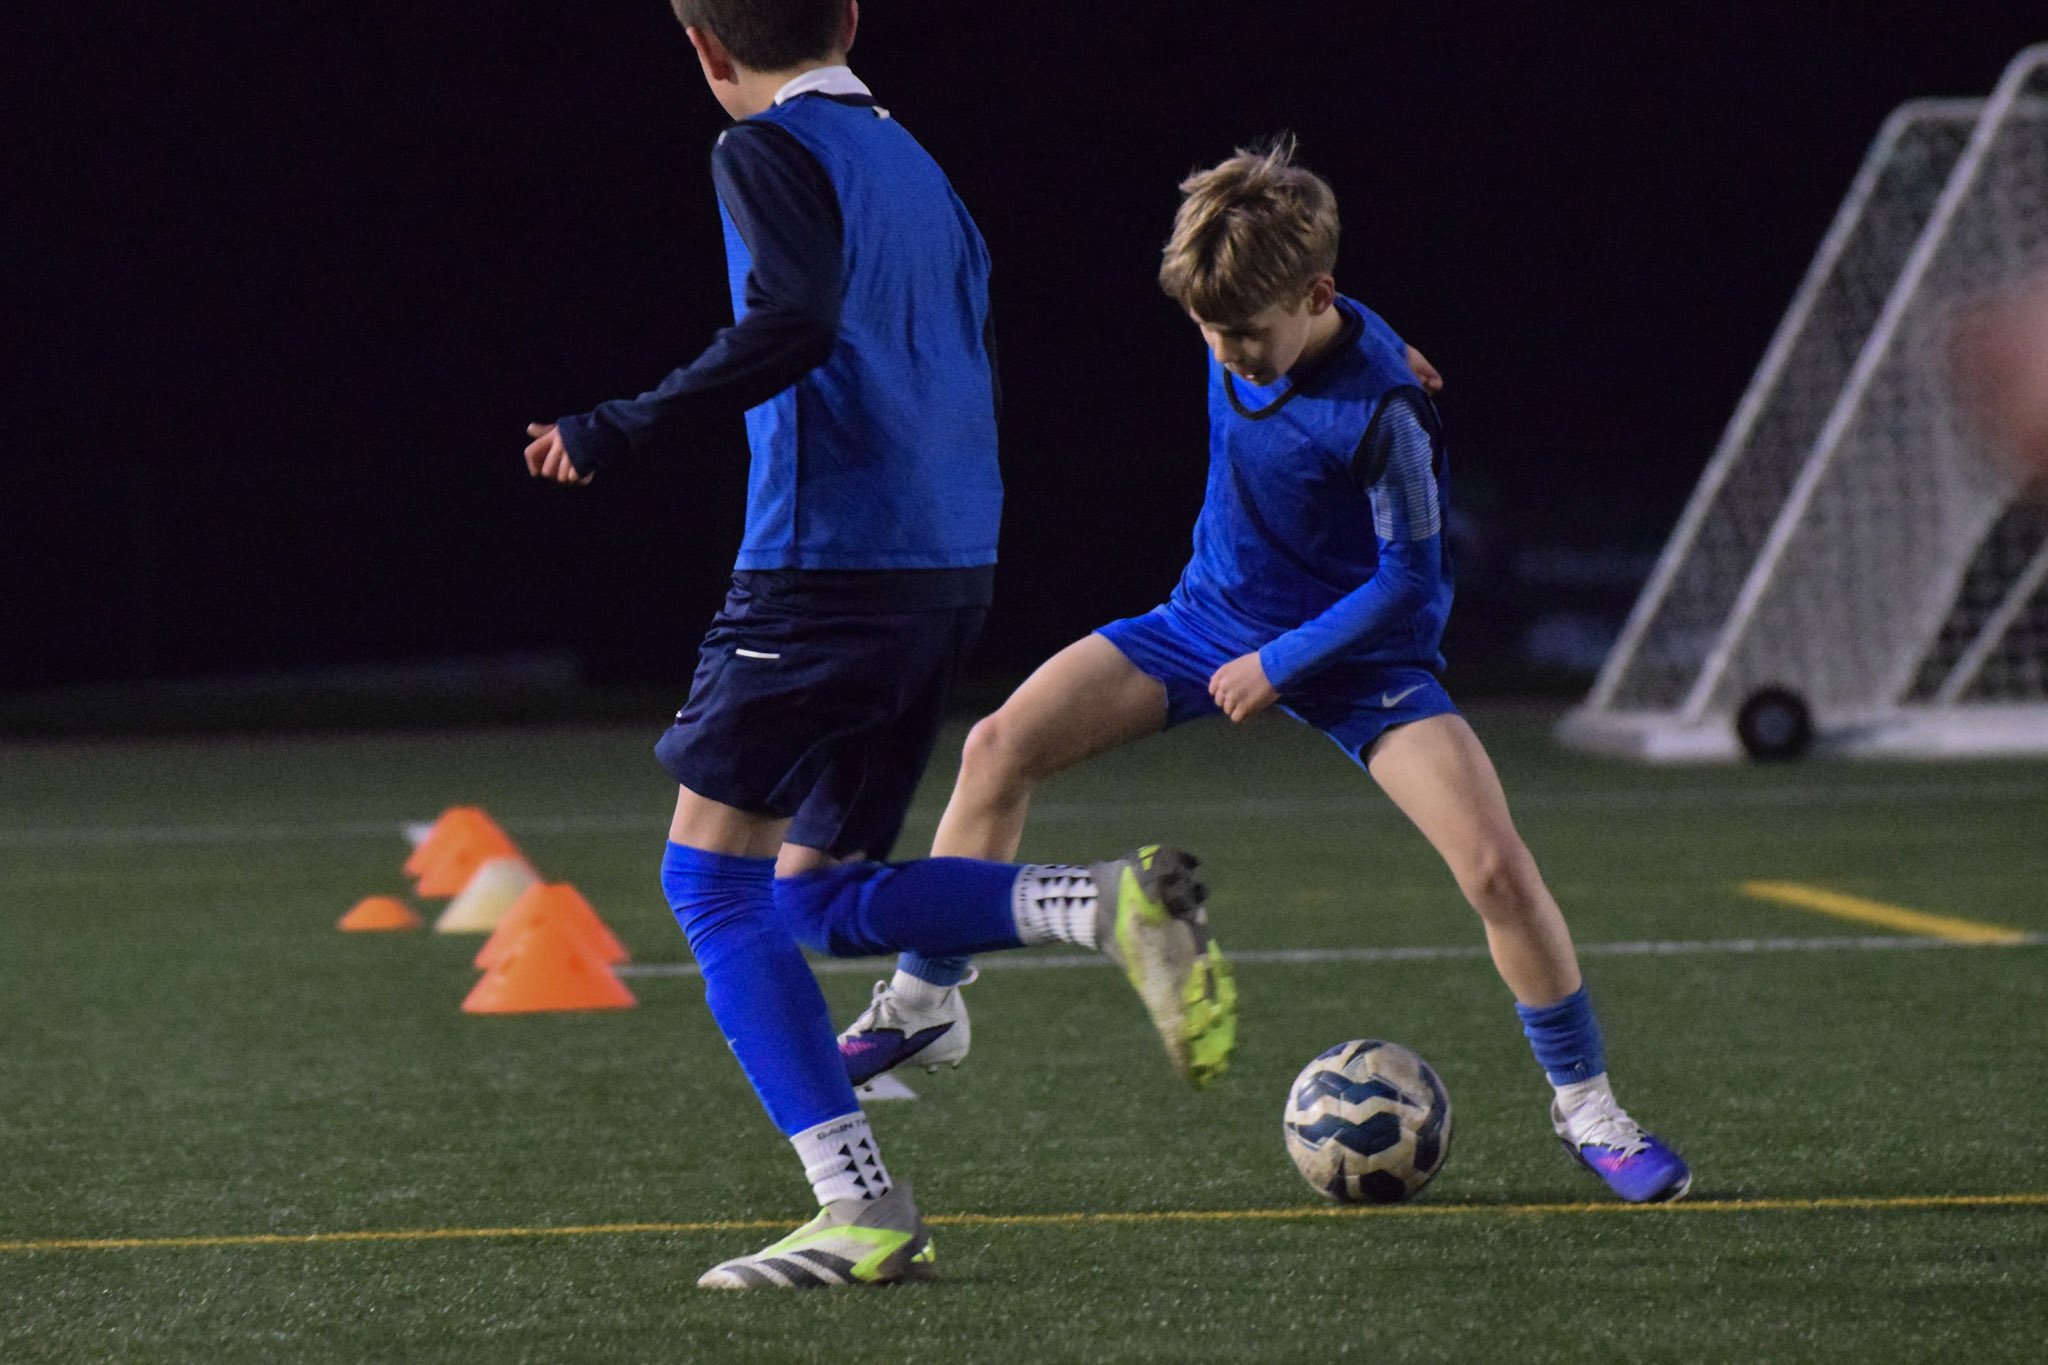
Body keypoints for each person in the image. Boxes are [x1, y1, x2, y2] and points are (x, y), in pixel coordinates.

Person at [523, 0, 1236, 1289]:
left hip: (820, 570)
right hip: (942, 562)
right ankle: (1104, 905)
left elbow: (792, 321)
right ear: (849, 20)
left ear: (704, 50)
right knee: (808, 893)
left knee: (710, 885)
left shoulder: (760, 152)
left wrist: (622, 422)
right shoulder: (919, 163)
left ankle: (856, 1204)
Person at [840, 137, 1691, 1204]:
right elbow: (1291, 309)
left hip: (1357, 660)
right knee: (997, 747)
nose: (1223, 349)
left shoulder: (1383, 413)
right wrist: (1243, 644)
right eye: (1205, 329)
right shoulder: (1251, 309)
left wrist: (1280, 664)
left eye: (1241, 331)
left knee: (1492, 869)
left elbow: (1412, 583)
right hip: (1203, 619)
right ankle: (926, 1006)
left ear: (1313, 296)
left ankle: (1589, 1111)